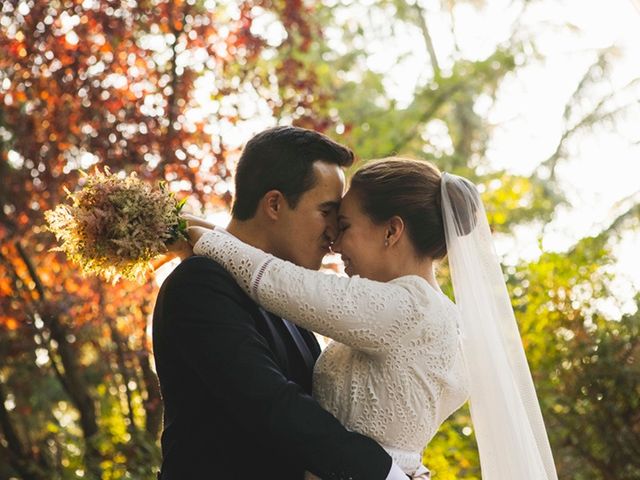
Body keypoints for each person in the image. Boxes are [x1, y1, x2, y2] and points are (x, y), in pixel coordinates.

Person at [188, 157, 560, 479]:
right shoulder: (439, 316)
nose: (333, 242)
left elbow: (277, 281)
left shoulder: (409, 309)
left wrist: (191, 236)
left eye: (345, 226)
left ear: (392, 231)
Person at [152, 126, 408, 480]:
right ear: (274, 204)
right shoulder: (200, 284)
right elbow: (272, 406)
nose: (334, 235)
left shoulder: (289, 304)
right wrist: (386, 472)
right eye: (326, 212)